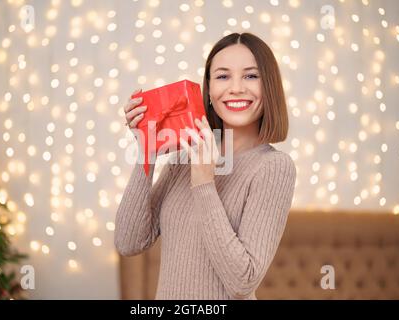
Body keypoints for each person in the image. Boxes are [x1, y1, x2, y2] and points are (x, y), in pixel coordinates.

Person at [114, 32, 296, 300]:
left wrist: (204, 182)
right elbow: (129, 242)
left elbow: (242, 281)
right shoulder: (186, 155)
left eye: (250, 76)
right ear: (208, 91)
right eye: (223, 76)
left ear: (268, 87)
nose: (236, 88)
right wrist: (147, 149)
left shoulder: (274, 167)